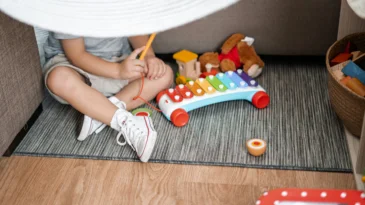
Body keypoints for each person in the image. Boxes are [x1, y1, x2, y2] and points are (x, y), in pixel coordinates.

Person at [43, 33, 174, 162]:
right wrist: (118, 71)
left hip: (117, 60)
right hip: (73, 65)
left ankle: (100, 113)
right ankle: (123, 120)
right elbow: (77, 55)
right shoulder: (70, 11)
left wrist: (149, 57)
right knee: (58, 79)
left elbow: (134, 30)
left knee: (165, 74)